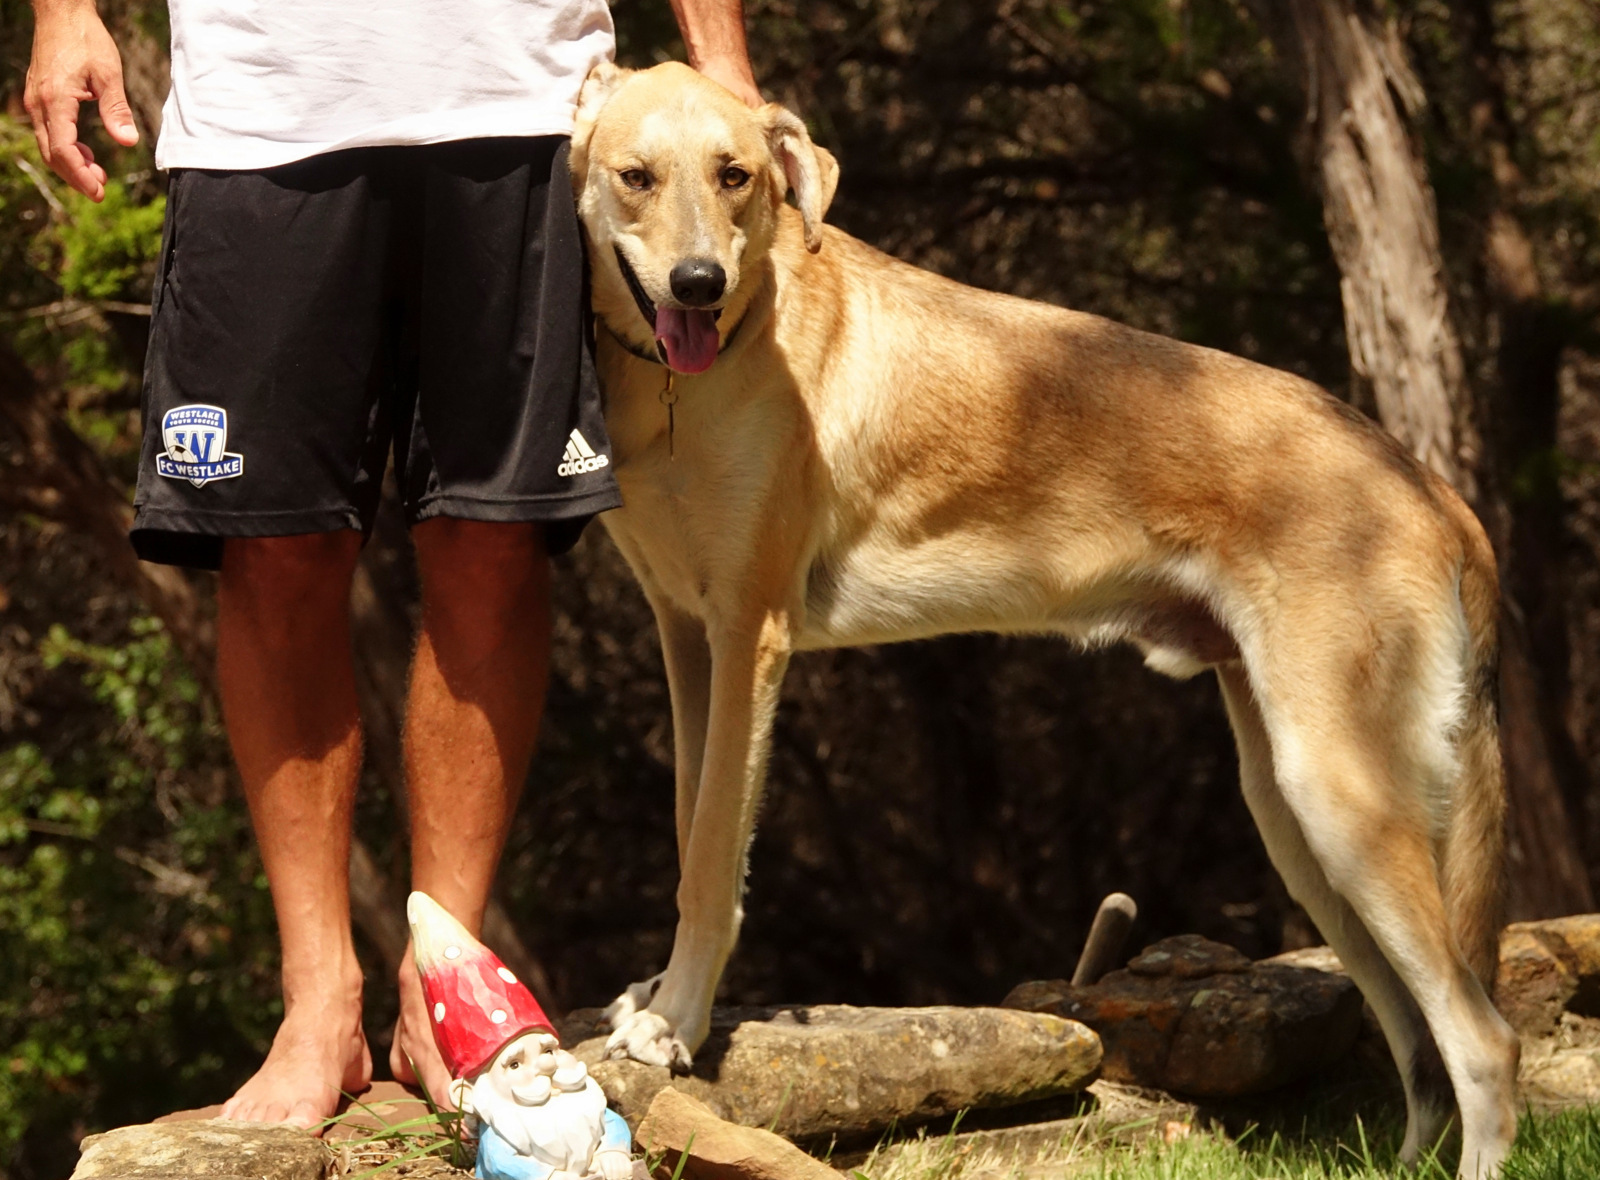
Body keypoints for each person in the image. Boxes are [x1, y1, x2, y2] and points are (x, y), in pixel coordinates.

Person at [24, 0, 760, 1129]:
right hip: (267, 107)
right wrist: (66, 14)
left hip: (524, 101)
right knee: (272, 548)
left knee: (495, 537)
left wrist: (723, 62)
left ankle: (444, 985)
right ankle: (318, 1004)